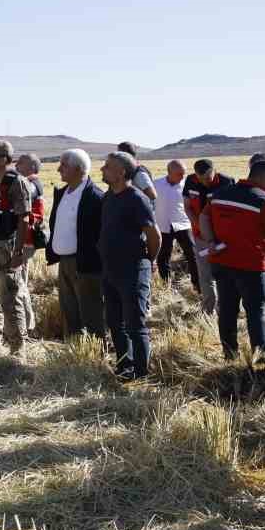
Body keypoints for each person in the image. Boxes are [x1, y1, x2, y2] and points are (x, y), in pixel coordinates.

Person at [206, 153, 265, 361]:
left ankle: (229, 355)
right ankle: (260, 359)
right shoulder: (264, 201)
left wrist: (211, 241)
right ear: (263, 177)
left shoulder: (220, 194)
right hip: (252, 265)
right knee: (257, 311)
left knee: (227, 309)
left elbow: (203, 216)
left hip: (222, 261)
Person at [99, 151, 161, 379]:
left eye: (107, 166)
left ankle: (142, 375)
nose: (102, 169)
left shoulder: (137, 199)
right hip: (110, 270)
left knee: (135, 325)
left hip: (132, 270)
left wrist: (149, 261)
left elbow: (154, 237)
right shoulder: (108, 197)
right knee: (116, 323)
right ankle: (125, 368)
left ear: (121, 172)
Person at [45, 148, 106, 341]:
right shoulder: (62, 193)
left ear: (79, 169)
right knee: (69, 310)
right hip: (64, 262)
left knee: (91, 311)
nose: (58, 169)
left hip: (86, 264)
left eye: (64, 165)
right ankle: (74, 350)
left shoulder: (95, 197)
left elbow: (101, 234)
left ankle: (96, 353)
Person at [0, 140, 34, 358]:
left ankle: (17, 347)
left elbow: (24, 219)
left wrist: (18, 253)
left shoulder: (17, 182)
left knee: (11, 297)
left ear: (4, 158)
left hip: (8, 245)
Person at [183, 158, 233, 317]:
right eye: (201, 179)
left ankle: (226, 309)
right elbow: (187, 207)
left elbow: (231, 212)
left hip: (222, 237)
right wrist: (199, 226)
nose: (205, 182)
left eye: (208, 178)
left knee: (224, 273)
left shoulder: (227, 182)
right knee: (205, 274)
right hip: (200, 236)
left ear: (214, 171)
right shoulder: (190, 181)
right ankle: (208, 310)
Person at [153, 159, 200, 293]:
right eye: (179, 174)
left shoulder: (187, 186)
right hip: (163, 226)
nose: (182, 177)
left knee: (192, 255)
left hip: (183, 225)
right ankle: (168, 286)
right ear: (169, 172)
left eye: (183, 174)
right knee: (163, 257)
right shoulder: (156, 184)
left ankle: (197, 286)